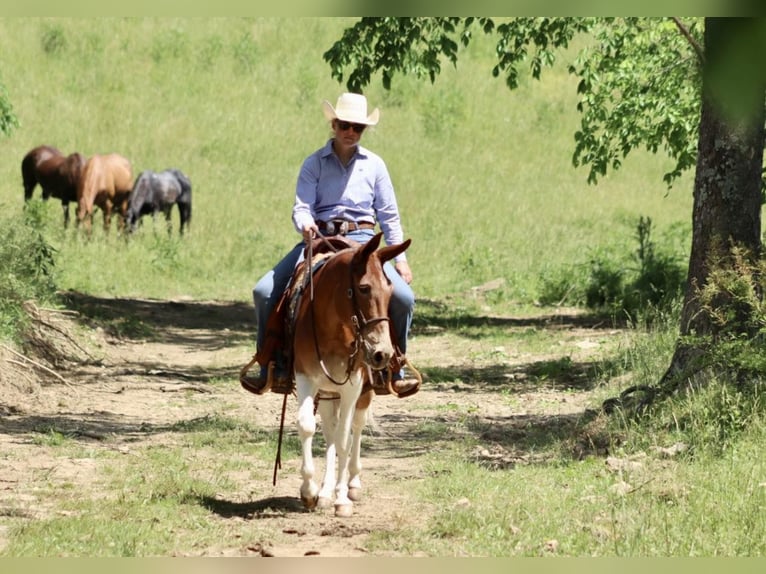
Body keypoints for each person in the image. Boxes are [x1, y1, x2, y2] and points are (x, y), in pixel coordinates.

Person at [247, 92, 417, 396]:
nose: (350, 132)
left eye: (358, 128)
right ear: (334, 125)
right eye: (344, 125)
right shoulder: (314, 163)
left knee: (403, 297)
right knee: (263, 292)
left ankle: (395, 367)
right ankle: (271, 363)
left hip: (364, 242)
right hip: (322, 238)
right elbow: (301, 206)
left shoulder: (375, 166)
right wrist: (306, 223)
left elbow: (389, 214)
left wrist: (401, 260)